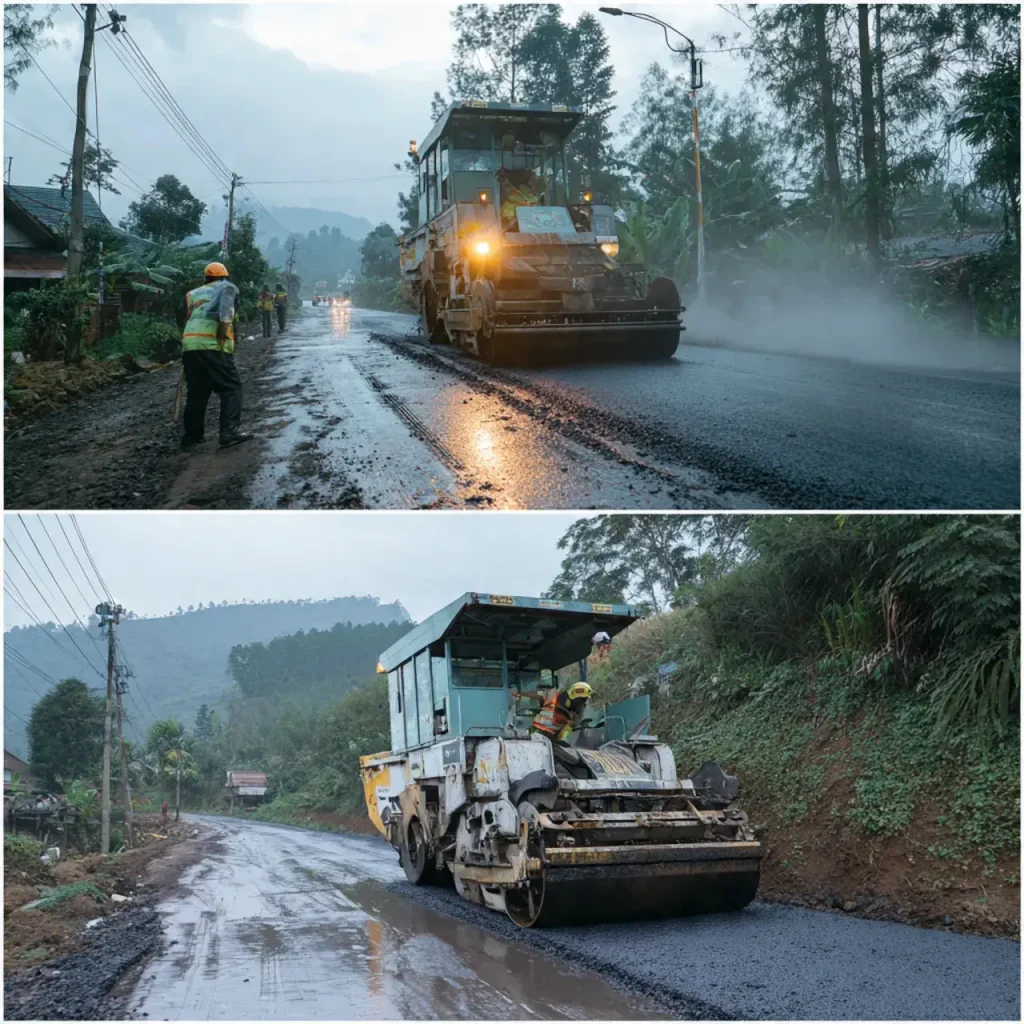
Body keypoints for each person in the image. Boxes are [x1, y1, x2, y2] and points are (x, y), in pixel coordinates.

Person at [179, 261, 253, 450]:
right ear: (224, 277)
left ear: (205, 278)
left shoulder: (192, 294)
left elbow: (182, 319)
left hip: (190, 345)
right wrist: (223, 336)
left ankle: (191, 438)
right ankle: (229, 432)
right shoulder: (227, 289)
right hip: (214, 345)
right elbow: (226, 315)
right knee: (231, 388)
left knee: (197, 392)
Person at [515, 681, 593, 743]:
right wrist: (518, 694)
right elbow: (534, 695)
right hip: (535, 734)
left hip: (552, 741)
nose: (584, 704)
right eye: (583, 700)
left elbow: (568, 733)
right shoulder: (552, 695)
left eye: (585, 700)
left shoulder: (575, 716)